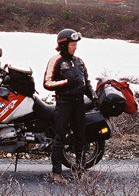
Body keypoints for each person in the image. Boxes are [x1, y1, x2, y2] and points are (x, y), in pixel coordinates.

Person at [43, 28, 96, 184]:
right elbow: (47, 83)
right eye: (73, 44)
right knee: (59, 138)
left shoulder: (79, 61)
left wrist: (92, 94)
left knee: (81, 138)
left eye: (76, 44)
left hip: (79, 103)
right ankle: (56, 173)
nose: (75, 47)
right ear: (64, 45)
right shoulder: (56, 60)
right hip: (64, 103)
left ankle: (81, 171)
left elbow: (86, 81)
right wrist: (66, 82)